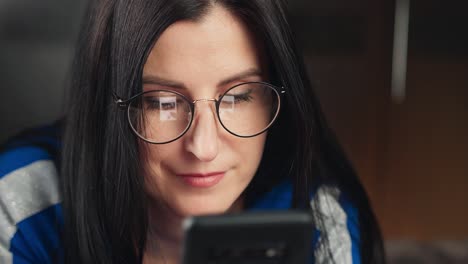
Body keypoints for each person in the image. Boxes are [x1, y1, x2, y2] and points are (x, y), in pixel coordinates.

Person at [0, 0, 385, 263]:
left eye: (238, 96)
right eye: (162, 103)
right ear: (109, 106)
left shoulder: (318, 214)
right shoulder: (22, 206)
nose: (203, 147)